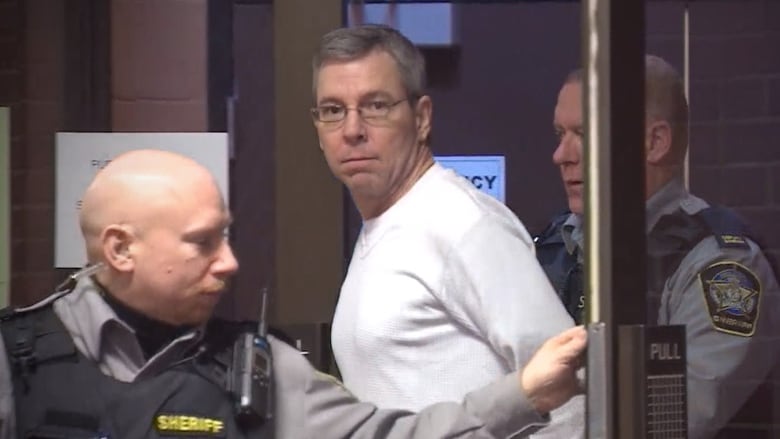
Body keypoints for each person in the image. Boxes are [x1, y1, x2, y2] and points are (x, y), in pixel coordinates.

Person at [0, 149, 588, 439]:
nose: (229, 262)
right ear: (121, 250)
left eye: (225, 235)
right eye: (201, 243)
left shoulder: (257, 370)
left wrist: (524, 392)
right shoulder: (14, 362)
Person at [311, 24, 583, 437]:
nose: (352, 130)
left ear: (421, 119)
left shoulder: (463, 224)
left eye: (376, 106)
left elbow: (570, 393)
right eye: (333, 110)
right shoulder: (384, 227)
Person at [535, 54, 780, 438]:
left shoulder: (721, 264)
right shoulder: (554, 245)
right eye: (559, 135)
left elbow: (674, 420)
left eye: (583, 134)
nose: (561, 156)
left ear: (654, 142)